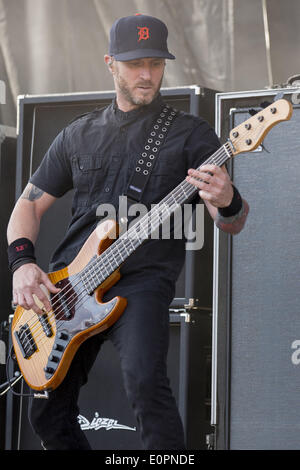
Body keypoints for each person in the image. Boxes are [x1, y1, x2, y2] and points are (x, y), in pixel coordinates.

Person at [7, 14, 249, 450]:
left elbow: (232, 223)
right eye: (136, 63)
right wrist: (23, 263)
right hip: (69, 286)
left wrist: (227, 197)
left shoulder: (190, 134)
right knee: (46, 410)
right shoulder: (76, 135)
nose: (146, 74)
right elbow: (27, 206)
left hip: (141, 283)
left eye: (156, 64)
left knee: (145, 385)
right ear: (111, 63)